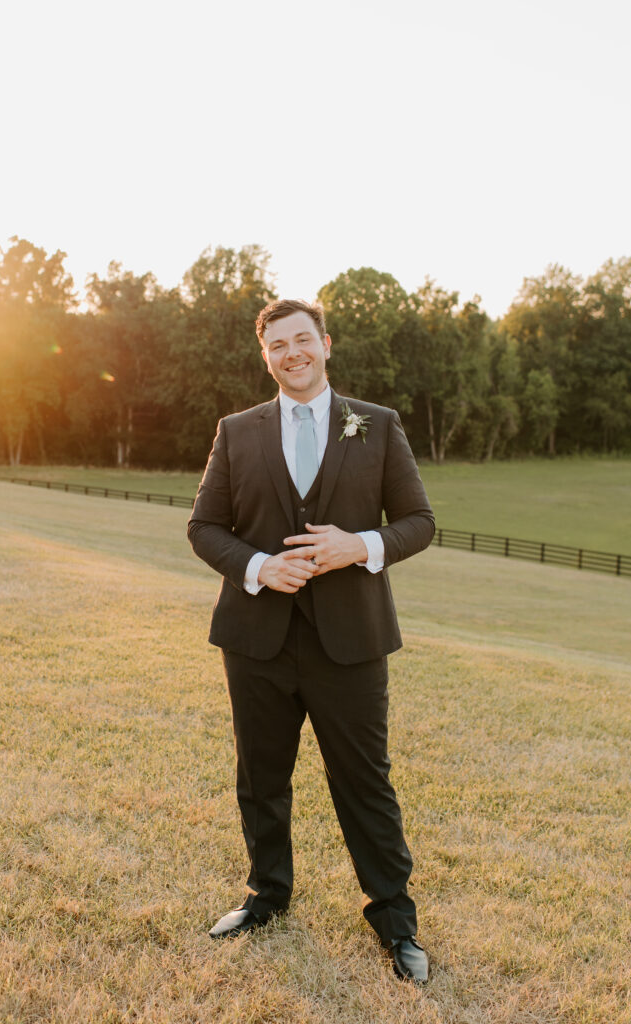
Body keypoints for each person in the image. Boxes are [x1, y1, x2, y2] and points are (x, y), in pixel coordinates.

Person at [187, 298, 435, 986]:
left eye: (303, 340)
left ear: (325, 345)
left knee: (364, 781)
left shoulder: (376, 425)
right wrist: (261, 567)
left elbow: (418, 520)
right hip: (255, 640)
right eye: (277, 345)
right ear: (264, 355)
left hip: (349, 643)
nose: (291, 353)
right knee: (260, 778)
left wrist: (357, 545)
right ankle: (266, 896)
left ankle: (394, 920)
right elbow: (204, 528)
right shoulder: (236, 431)